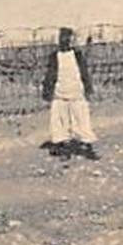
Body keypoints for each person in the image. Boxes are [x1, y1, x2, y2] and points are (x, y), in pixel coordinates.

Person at [41, 28, 98, 159]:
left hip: (76, 92)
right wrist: (47, 91)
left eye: (69, 39)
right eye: (64, 38)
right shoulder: (55, 57)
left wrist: (88, 88)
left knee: (81, 118)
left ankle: (87, 145)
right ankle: (63, 147)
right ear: (60, 40)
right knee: (60, 119)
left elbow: (84, 72)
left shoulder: (77, 56)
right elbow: (50, 75)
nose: (66, 41)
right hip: (60, 93)